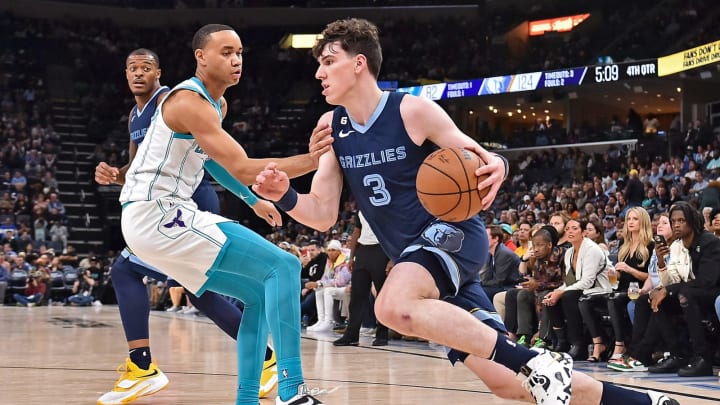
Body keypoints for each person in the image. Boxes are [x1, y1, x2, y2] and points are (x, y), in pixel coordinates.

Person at [253, 18, 678, 405]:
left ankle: (533, 361)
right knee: (509, 383)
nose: (318, 73)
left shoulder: (411, 110)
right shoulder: (333, 128)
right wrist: (285, 194)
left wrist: (502, 163)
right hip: (418, 261)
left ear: (359, 63)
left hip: (451, 234)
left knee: (390, 305)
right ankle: (646, 403)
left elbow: (478, 156)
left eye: (329, 61)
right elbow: (323, 214)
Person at [118, 25, 331, 405]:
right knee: (283, 265)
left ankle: (247, 399)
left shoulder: (216, 105)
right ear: (201, 57)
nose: (236, 60)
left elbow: (215, 164)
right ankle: (292, 390)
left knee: (257, 295)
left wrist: (250, 200)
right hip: (158, 213)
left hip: (152, 218)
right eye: (226, 52)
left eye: (240, 53)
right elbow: (246, 168)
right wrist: (313, 160)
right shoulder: (188, 101)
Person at [94, 48, 282, 405]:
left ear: (159, 73)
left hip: (186, 205)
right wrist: (113, 175)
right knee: (199, 291)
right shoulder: (136, 115)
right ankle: (266, 359)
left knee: (124, 271)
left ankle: (143, 368)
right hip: (162, 206)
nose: (138, 73)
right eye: (132, 68)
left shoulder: (177, 100)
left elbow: (210, 157)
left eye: (145, 68)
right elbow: (136, 172)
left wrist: (251, 198)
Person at [333, 210, 391, 347]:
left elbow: (393, 233)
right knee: (357, 295)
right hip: (363, 251)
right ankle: (352, 335)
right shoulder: (362, 208)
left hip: (381, 250)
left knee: (382, 295)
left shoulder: (385, 205)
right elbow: (357, 232)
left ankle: (382, 334)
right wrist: (352, 256)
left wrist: (392, 258)